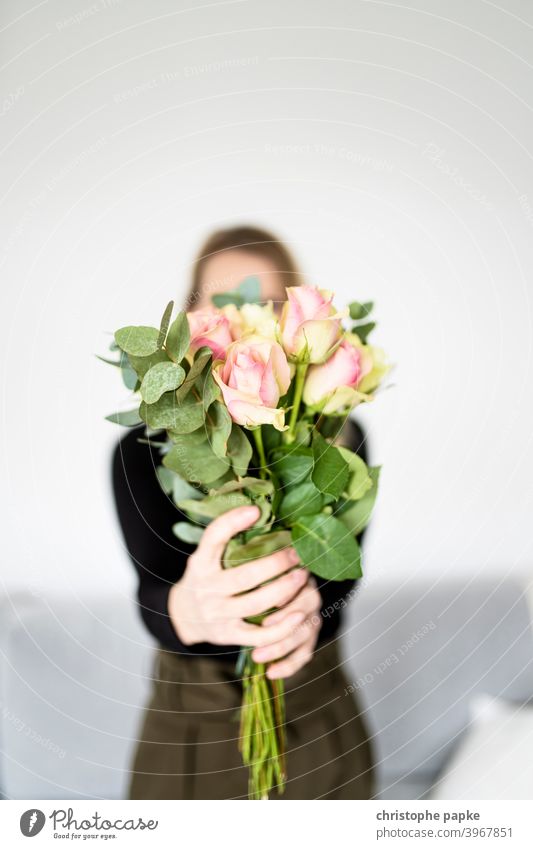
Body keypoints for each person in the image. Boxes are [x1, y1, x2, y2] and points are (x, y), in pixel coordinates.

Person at [111, 225, 375, 799]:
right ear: (187, 320)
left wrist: (306, 611)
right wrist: (187, 611)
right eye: (222, 300)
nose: (241, 318)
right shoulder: (139, 450)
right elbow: (151, 593)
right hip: (187, 728)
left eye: (266, 303)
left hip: (316, 712)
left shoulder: (338, 437)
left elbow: (338, 578)